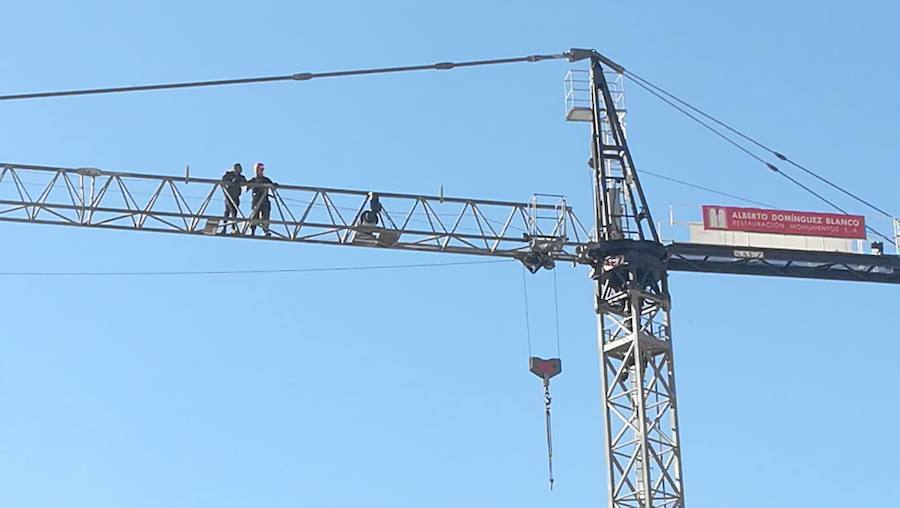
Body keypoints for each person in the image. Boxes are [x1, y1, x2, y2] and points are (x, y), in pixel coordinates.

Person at [247, 162, 276, 236]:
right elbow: (246, 187)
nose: (258, 171)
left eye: (260, 169)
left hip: (264, 200)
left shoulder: (266, 180)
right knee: (255, 216)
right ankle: (252, 230)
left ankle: (265, 230)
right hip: (256, 200)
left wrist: (274, 185)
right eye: (257, 169)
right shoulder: (253, 180)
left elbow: (272, 187)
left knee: (265, 216)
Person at [221, 162, 247, 234]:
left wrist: (239, 182)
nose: (238, 170)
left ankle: (233, 228)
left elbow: (245, 183)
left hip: (236, 196)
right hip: (229, 196)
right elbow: (223, 180)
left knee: (234, 212)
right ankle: (224, 228)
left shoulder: (241, 177)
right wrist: (231, 181)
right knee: (227, 212)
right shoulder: (229, 175)